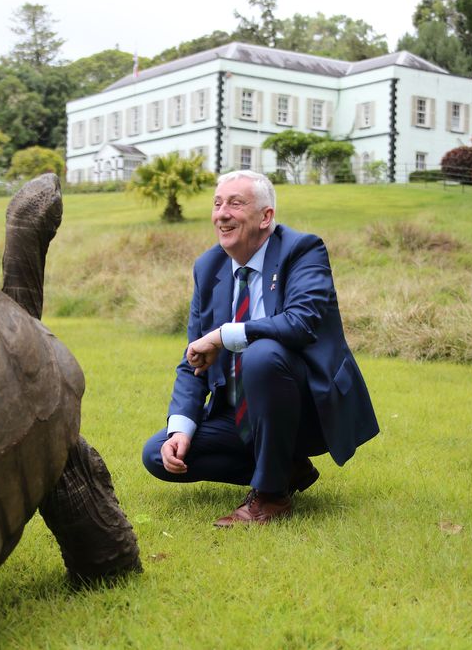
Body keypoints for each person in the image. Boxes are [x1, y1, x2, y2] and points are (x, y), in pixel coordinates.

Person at [141, 170, 379, 527]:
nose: (222, 214)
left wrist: (223, 335)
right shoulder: (208, 268)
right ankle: (289, 467)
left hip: (304, 409)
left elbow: (299, 323)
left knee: (262, 354)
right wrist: (181, 430)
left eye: (235, 204)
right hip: (238, 414)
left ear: (266, 216)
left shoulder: (302, 250)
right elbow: (193, 359)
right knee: (157, 456)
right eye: (217, 204)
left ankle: (271, 495)